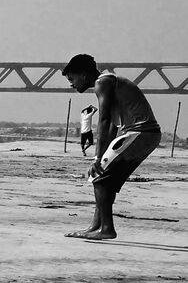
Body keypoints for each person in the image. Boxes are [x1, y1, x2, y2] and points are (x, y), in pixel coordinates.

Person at [62, 53, 161, 241]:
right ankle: (96, 226)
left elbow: (105, 120)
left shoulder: (102, 82)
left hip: (140, 133)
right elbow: (113, 126)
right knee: (105, 180)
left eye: (72, 79)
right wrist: (103, 156)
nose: (71, 84)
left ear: (83, 74)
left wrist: (97, 158)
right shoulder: (109, 82)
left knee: (99, 176)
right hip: (145, 135)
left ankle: (106, 229)